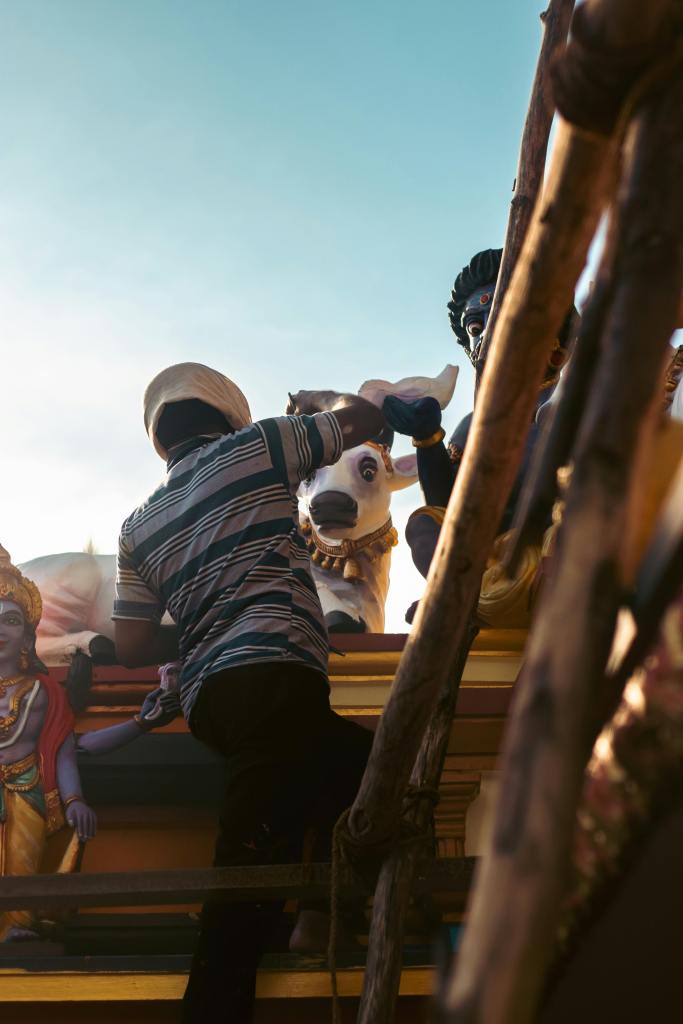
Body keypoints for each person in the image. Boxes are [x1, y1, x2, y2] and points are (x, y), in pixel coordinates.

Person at [112, 361, 384, 1023]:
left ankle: (315, 919)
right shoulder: (259, 445)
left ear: (159, 435)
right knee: (257, 861)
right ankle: (298, 934)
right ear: (229, 416)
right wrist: (338, 401)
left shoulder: (136, 526)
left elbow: (131, 646)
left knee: (356, 768)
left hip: (213, 701)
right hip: (275, 676)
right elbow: (366, 421)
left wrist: (207, 622)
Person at [383, 248, 576, 623]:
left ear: (557, 342)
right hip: (487, 560)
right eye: (475, 328)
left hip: (554, 548)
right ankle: (461, 598)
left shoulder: (569, 402)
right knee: (424, 524)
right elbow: (448, 504)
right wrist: (427, 439)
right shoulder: (474, 424)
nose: (488, 333)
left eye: (508, 315)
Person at [0, 545, 175, 941]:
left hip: (27, 794)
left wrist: (75, 799)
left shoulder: (43, 692)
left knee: (22, 868)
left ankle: (17, 926)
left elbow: (67, 750)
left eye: (10, 620)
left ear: (27, 635)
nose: (1, 630)